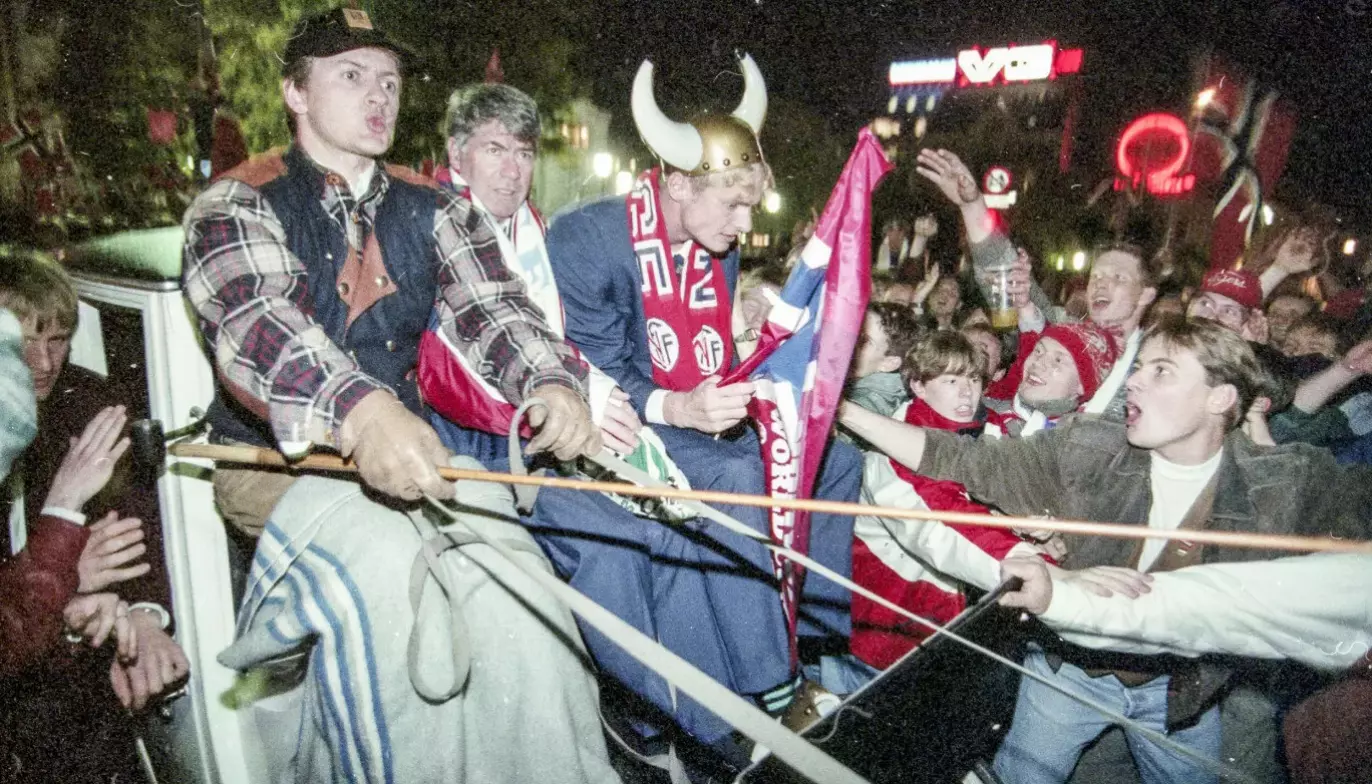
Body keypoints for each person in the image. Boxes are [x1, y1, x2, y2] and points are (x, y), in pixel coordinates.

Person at [181, 9, 614, 781]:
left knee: (524, 589)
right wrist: (358, 408)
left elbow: (495, 309)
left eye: (389, 79)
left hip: (409, 452)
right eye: (350, 75)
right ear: (294, 91)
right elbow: (256, 324)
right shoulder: (235, 203)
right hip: (280, 465)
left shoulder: (437, 206)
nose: (379, 95)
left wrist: (551, 379)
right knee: (391, 592)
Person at [839, 318, 1372, 784]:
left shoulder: (1288, 480)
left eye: (1161, 370)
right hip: (1070, 676)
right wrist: (846, 412)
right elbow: (962, 461)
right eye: (1137, 367)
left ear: (1220, 397)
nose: (1135, 379)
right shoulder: (1088, 447)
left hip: (1177, 695)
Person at [544, 53, 863, 754]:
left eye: (750, 203)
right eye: (735, 203)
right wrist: (682, 410)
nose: (746, 223)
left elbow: (704, 347)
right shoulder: (586, 239)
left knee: (831, 461)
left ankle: (804, 634)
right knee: (737, 477)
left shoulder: (713, 244)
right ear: (680, 183)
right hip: (616, 424)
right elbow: (594, 371)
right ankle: (776, 688)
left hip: (685, 405)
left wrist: (750, 328)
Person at [0, 253, 183, 782]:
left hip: (67, 660)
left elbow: (138, 522)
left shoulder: (90, 404)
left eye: (57, 340)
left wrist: (147, 618)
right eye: (24, 343)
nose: (43, 363)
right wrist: (71, 579)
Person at [849, 331, 1051, 687]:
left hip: (956, 626)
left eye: (973, 379)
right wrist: (1031, 561)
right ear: (918, 386)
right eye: (951, 380)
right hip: (891, 630)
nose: (966, 392)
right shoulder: (893, 449)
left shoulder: (991, 433)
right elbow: (943, 523)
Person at [917, 149, 1160, 422]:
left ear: (1146, 295)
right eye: (1097, 276)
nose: (1101, 284)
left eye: (1118, 277)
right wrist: (972, 205)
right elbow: (1001, 267)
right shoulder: (1060, 325)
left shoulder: (1156, 363)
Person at [982, 321, 1118, 439]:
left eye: (1058, 360)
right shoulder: (981, 412)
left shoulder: (1077, 443)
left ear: (1082, 385)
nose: (1038, 362)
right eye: (1038, 351)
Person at [845, 301, 923, 419]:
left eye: (864, 341)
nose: (849, 341)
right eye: (852, 330)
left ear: (889, 363)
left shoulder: (866, 405)